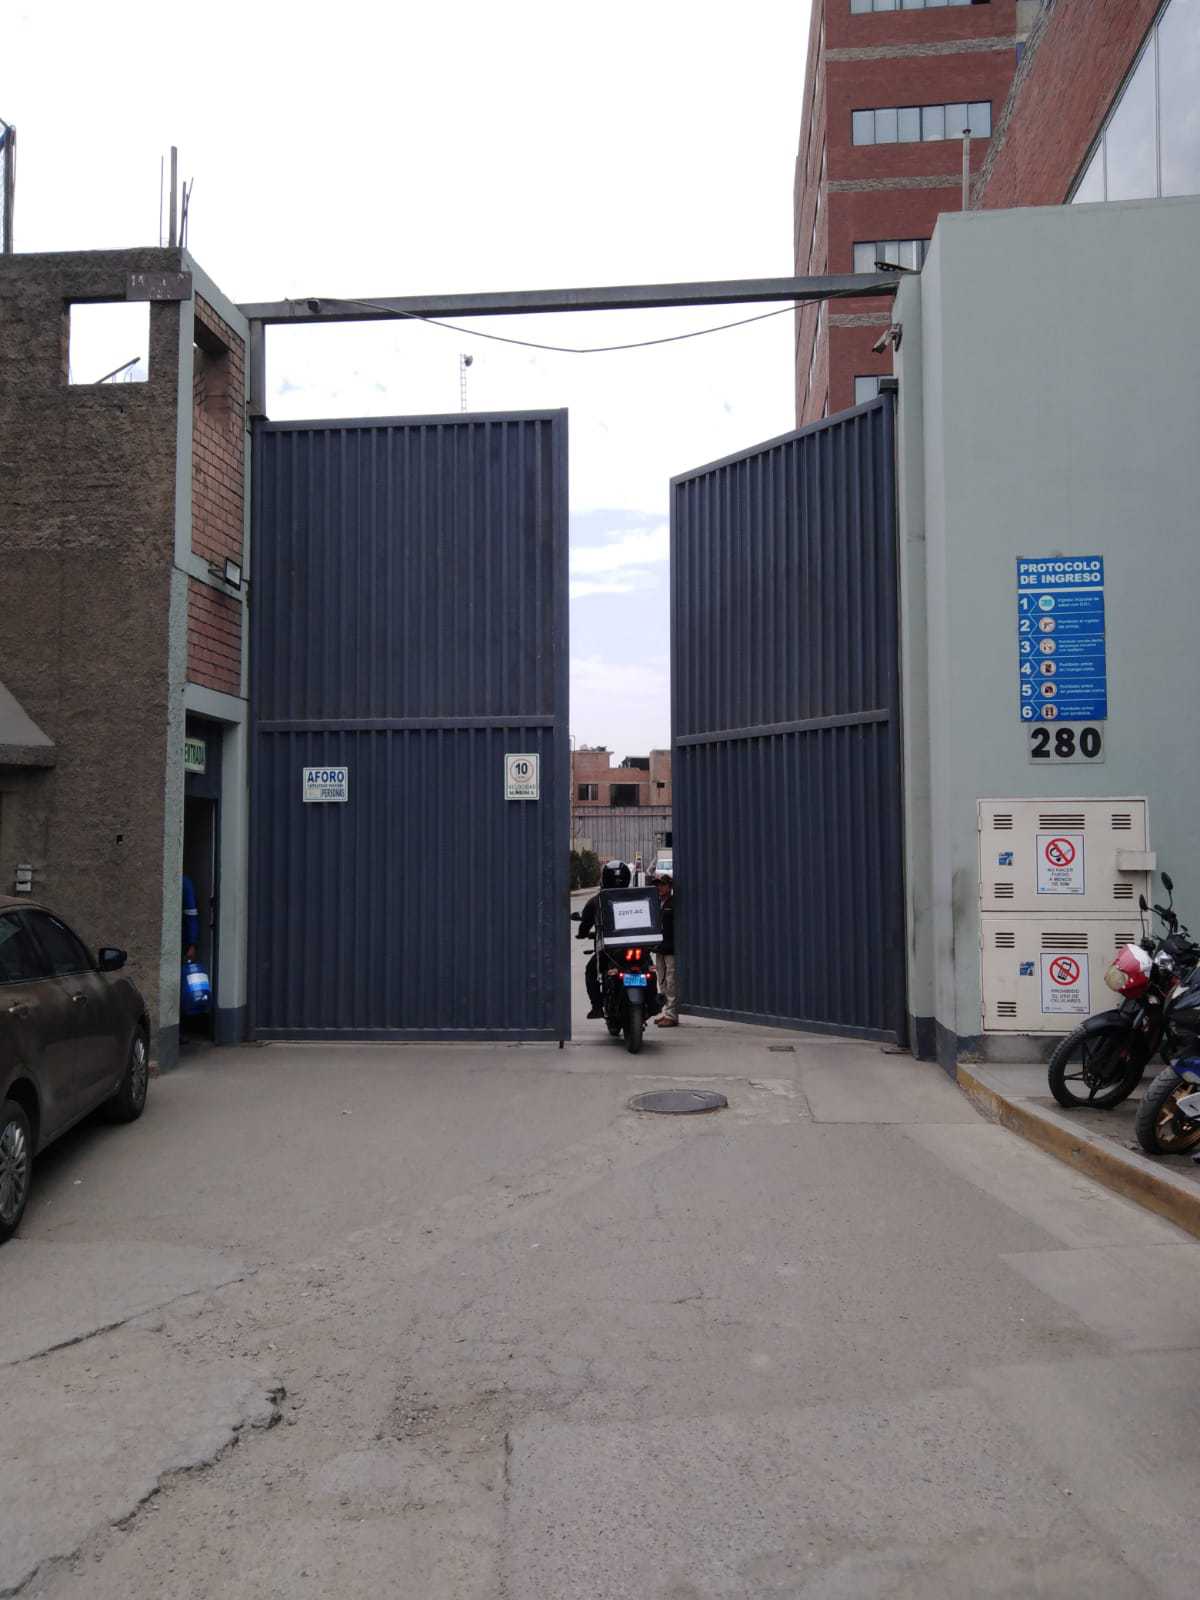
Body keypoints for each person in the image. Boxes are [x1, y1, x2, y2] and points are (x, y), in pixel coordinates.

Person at [577, 860, 630, 1019]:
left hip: (609, 949)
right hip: (634, 945)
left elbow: (585, 924)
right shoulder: (636, 897)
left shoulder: (596, 900)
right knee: (648, 966)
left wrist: (582, 933)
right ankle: (653, 1002)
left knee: (590, 971)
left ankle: (597, 1007)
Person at [653, 873, 677, 1027]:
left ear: (669, 886)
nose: (660, 887)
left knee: (671, 981)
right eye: (658, 885)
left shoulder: (673, 903)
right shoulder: (657, 903)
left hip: (670, 949)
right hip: (659, 948)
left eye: (663, 884)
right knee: (661, 981)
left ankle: (671, 1015)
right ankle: (665, 1012)